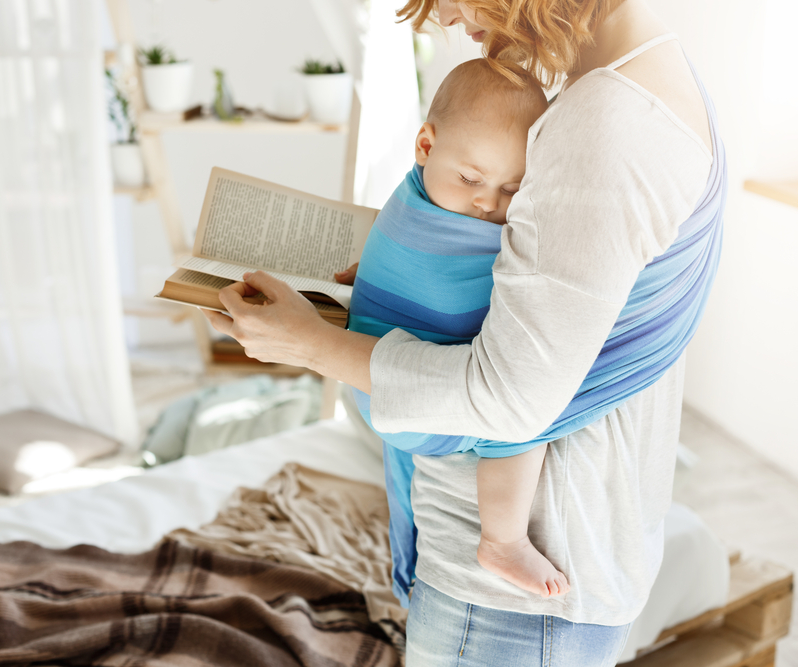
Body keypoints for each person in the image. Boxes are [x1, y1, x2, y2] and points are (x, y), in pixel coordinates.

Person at [202, 0, 726, 663]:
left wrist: (309, 343)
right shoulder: (635, 75)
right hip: (543, 563)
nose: (444, 16)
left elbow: (510, 399)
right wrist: (409, 270)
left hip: (514, 591)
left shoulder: (605, 123)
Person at [346, 57, 568, 599]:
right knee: (525, 414)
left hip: (375, 389)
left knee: (405, 490)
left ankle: (405, 568)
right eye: (471, 179)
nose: (487, 204)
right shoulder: (474, 233)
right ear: (424, 145)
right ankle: (503, 540)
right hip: (405, 396)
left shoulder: (412, 193)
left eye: (513, 189)